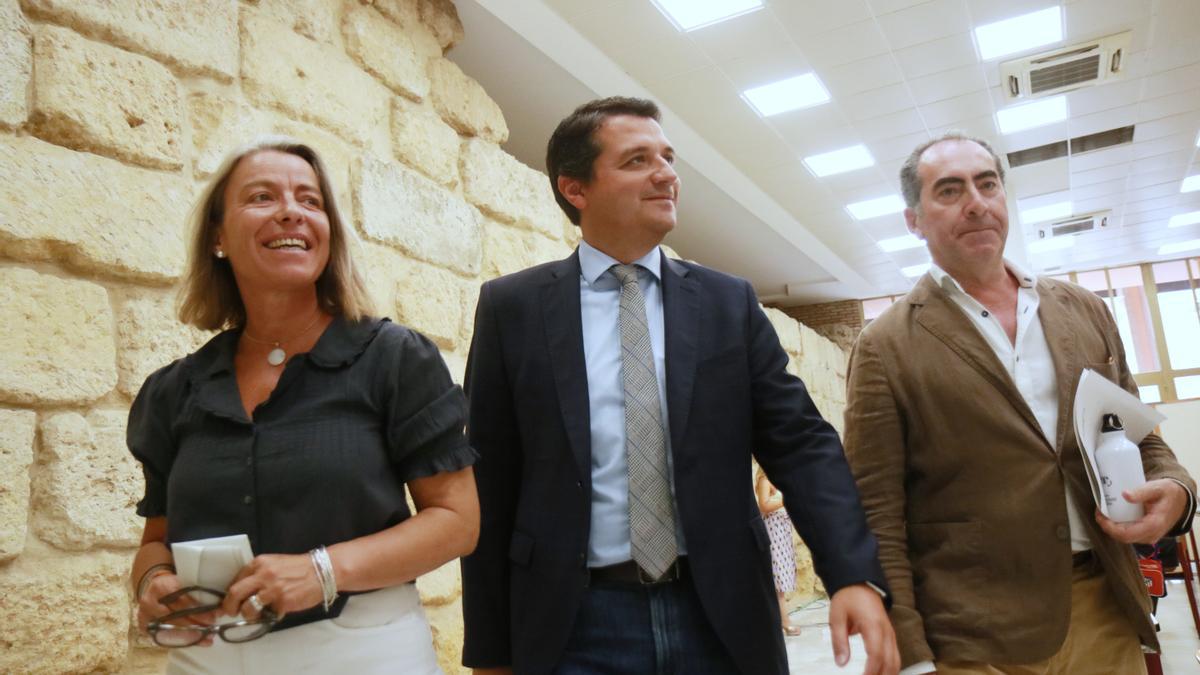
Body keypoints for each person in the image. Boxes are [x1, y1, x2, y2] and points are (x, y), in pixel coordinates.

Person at [460, 96, 898, 675]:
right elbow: (490, 482)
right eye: (638, 159)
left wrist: (851, 572)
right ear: (575, 188)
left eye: (667, 157)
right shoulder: (512, 308)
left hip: (720, 616)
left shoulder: (726, 302)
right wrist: (491, 652)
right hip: (575, 628)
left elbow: (801, 444)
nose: (667, 174)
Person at [842, 132, 1196, 675]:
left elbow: (1138, 434)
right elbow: (877, 511)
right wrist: (912, 653)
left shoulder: (1084, 310)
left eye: (988, 185)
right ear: (914, 219)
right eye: (950, 190)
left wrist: (1176, 487)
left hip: (1104, 609)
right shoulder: (886, 345)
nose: (976, 202)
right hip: (973, 636)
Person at [125, 136, 480, 674]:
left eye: (310, 201)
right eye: (262, 197)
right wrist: (154, 584)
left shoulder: (393, 358)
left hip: (362, 653)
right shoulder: (173, 391)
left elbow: (457, 521)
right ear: (218, 236)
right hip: (206, 661)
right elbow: (157, 541)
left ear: (328, 235)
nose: (291, 212)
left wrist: (322, 570)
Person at [755, 467, 802, 637]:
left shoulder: (776, 479)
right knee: (777, 580)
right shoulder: (764, 480)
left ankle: (778, 621)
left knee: (780, 579)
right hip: (774, 532)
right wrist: (787, 500)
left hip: (782, 532)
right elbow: (764, 505)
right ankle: (785, 623)